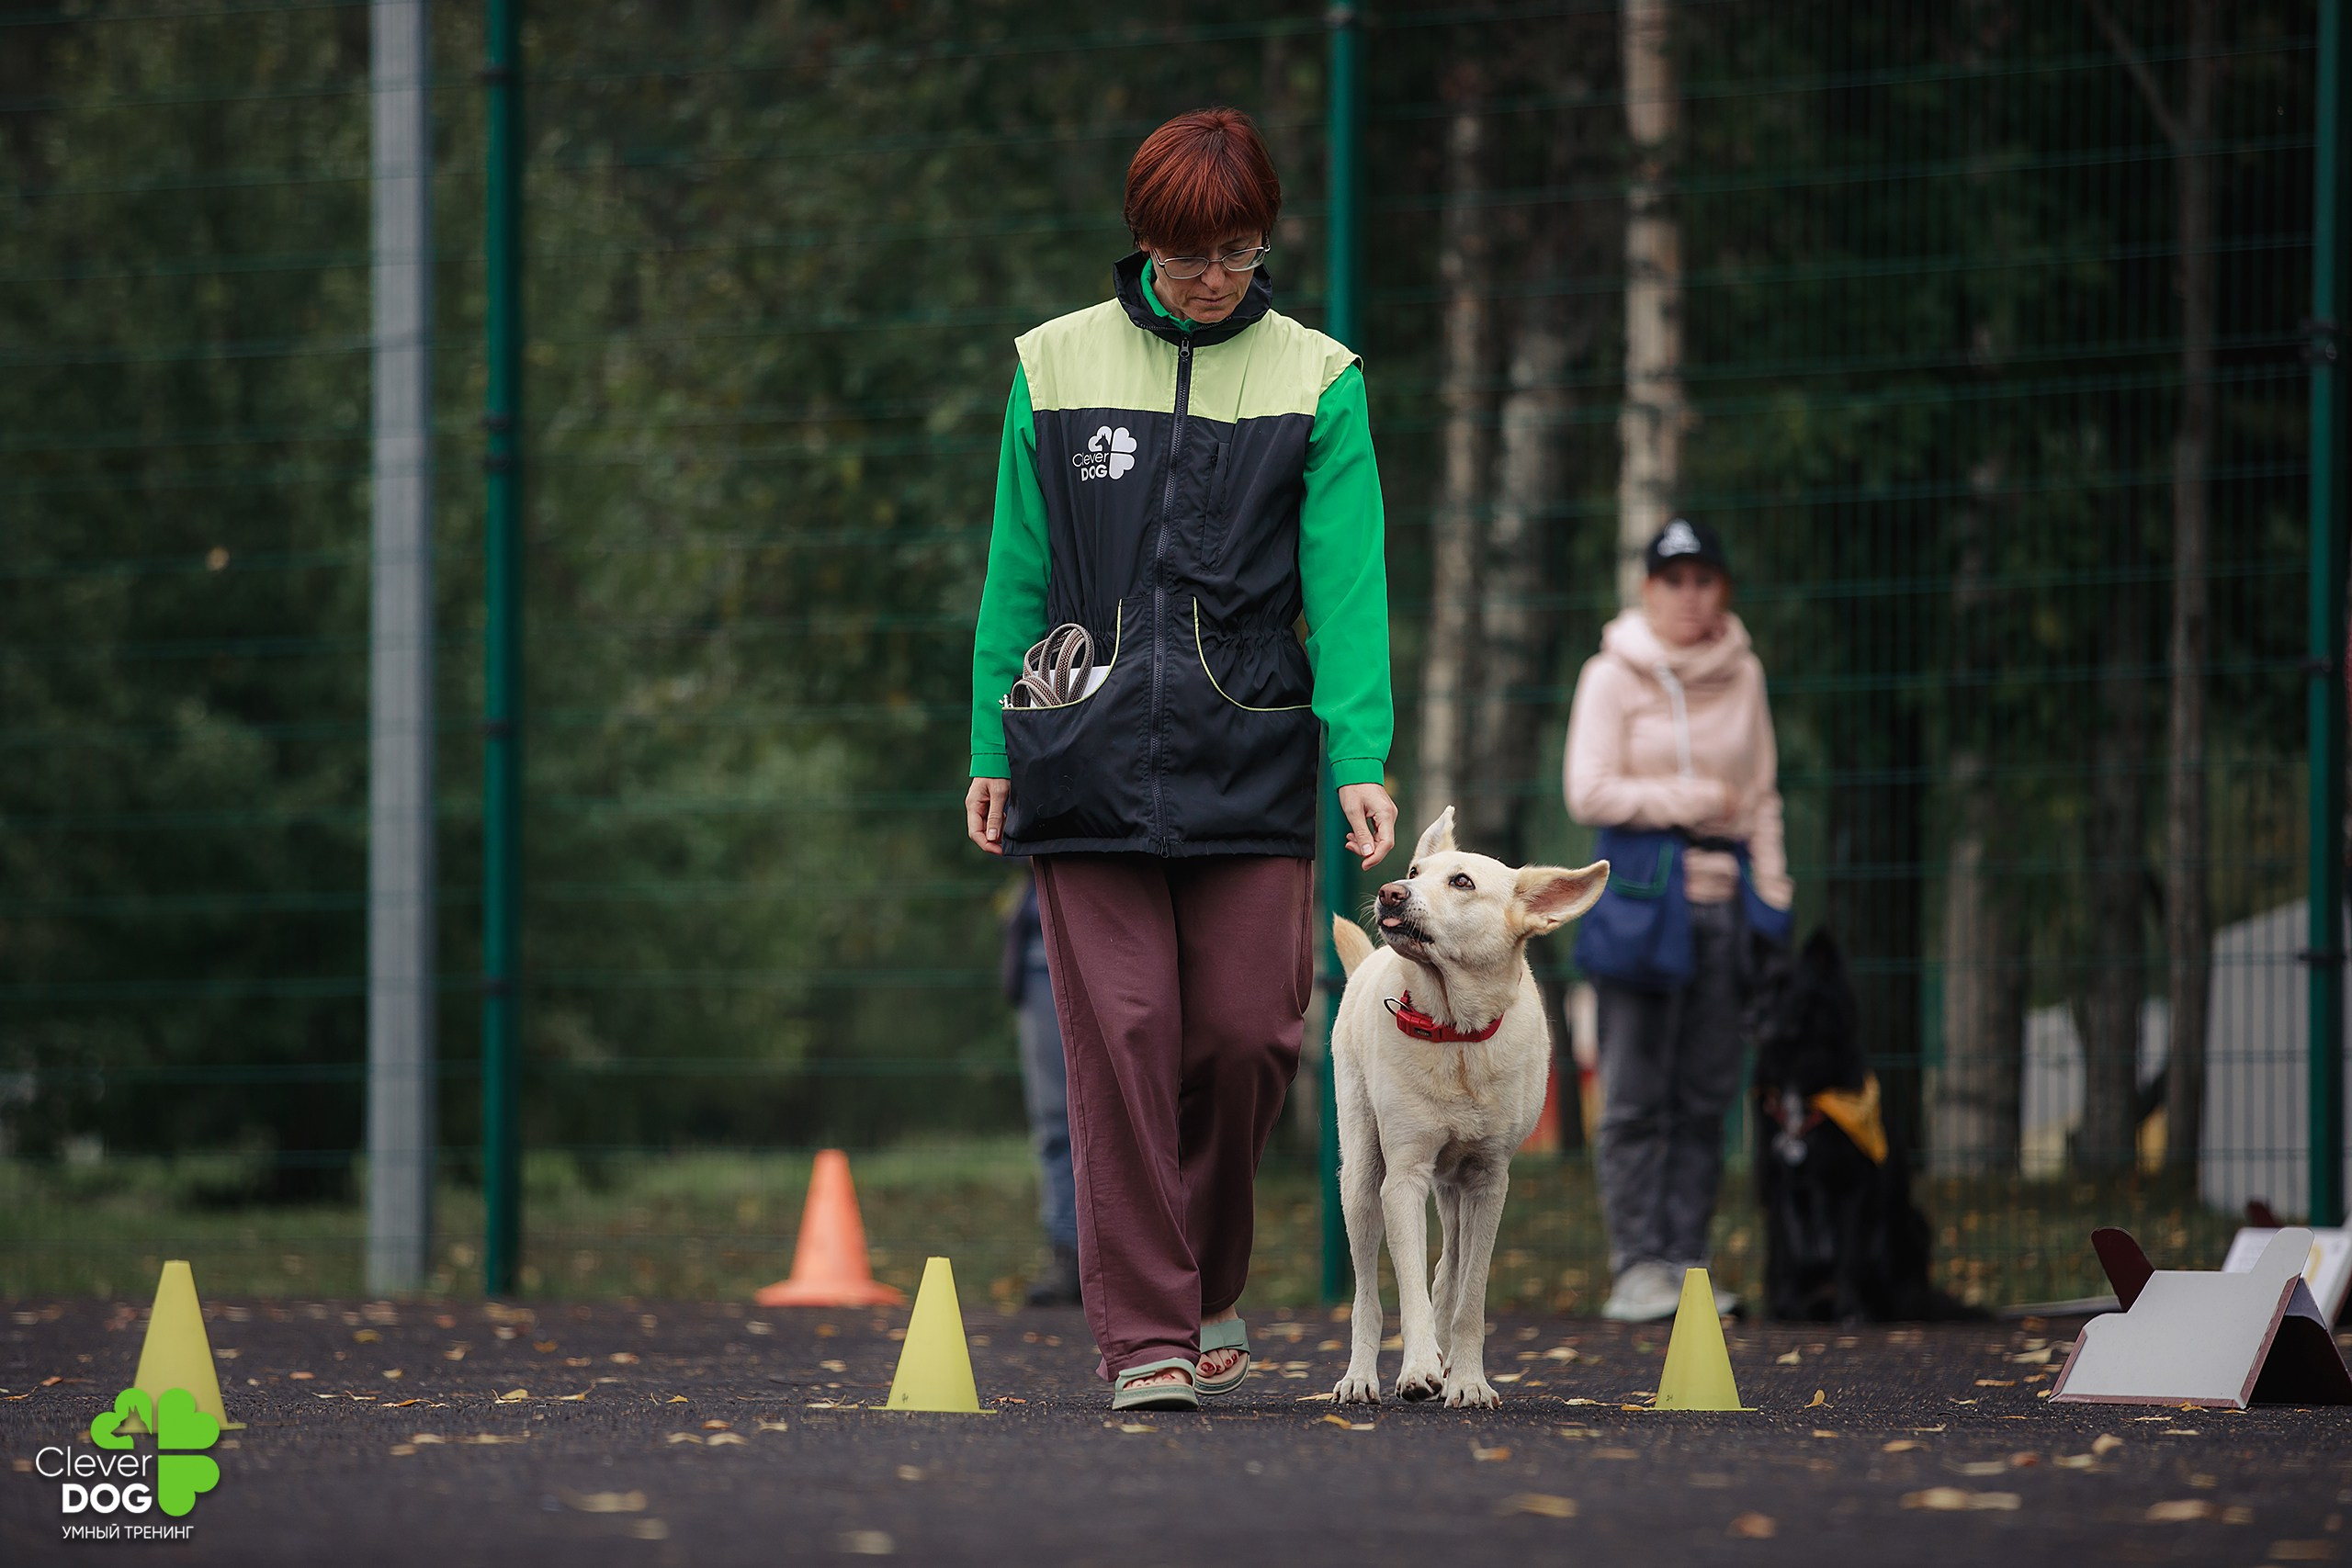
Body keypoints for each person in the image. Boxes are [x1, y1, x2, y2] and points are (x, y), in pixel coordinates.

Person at [964, 107, 1396, 1411]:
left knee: (1250, 1037)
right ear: (1144, 237)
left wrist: (1360, 751)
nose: (1215, 274)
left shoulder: (1320, 376)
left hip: (1251, 752)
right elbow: (1016, 571)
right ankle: (1148, 1336)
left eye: (1240, 247)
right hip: (1079, 747)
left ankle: (1208, 1281)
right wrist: (994, 735)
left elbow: (1352, 579)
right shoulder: (1053, 363)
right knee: (1129, 1032)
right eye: (1189, 249)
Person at [1563, 518, 1792, 1323]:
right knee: (1632, 1094)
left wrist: (1776, 893)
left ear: (1721, 588)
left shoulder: (1746, 674)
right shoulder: (1610, 674)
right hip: (1639, 908)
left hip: (1725, 907)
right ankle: (1635, 1268)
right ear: (1647, 589)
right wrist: (1683, 802)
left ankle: (1687, 1266)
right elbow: (1588, 791)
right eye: (1673, 580)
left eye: (1704, 580)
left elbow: (1761, 795)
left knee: (1705, 1095)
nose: (1690, 596)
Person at [1000, 872, 1080, 1306]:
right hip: (1042, 958)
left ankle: (1146, 1262)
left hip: (1127, 935)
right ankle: (1068, 1255)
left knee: (1140, 1116)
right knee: (1055, 1121)